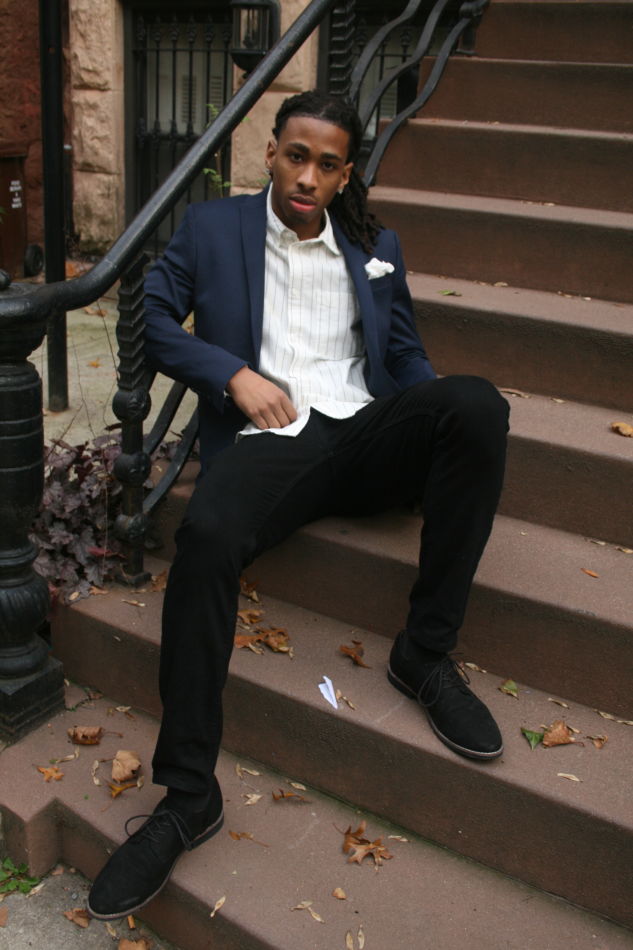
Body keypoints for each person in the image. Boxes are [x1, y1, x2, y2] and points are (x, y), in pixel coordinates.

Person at [88, 90, 509, 921]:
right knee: (207, 533)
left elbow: (402, 355)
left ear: (344, 174)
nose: (307, 176)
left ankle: (423, 655)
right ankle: (188, 796)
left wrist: (431, 432)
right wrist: (231, 375)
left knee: (475, 405)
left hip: (363, 430)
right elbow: (149, 318)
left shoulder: (376, 243)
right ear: (271, 153)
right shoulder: (214, 228)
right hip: (272, 439)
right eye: (295, 156)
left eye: (326, 164)